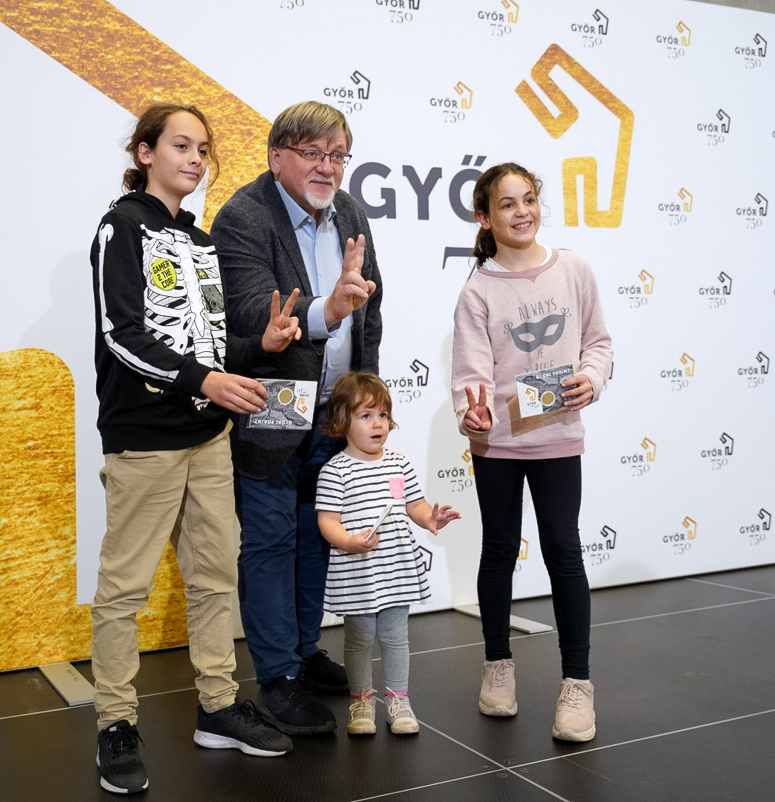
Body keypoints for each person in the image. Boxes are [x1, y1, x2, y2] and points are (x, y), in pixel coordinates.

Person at [89, 103, 301, 794]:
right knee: (124, 589)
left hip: (208, 437)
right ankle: (115, 723)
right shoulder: (120, 227)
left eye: (203, 149)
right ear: (145, 152)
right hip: (145, 439)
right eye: (181, 145)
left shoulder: (203, 242)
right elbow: (123, 336)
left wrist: (258, 344)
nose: (195, 159)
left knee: (214, 578)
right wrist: (206, 378)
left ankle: (217, 706)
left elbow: (207, 345)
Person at [210, 100, 383, 735]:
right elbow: (252, 311)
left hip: (335, 409)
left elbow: (371, 307)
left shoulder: (350, 211)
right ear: (276, 156)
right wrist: (327, 310)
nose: (326, 167)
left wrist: (363, 393)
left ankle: (305, 651)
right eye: (312, 153)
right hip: (272, 406)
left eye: (337, 155)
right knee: (270, 539)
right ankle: (278, 677)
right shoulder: (243, 216)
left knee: (317, 534)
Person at [451, 162, 613, 743]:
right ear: (484, 217)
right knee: (498, 551)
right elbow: (471, 373)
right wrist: (471, 412)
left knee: (564, 551)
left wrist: (592, 378)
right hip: (497, 444)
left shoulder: (573, 269)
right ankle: (497, 665)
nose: (522, 212)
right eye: (507, 204)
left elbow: (598, 342)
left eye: (528, 200)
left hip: (558, 437)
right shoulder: (478, 290)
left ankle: (578, 684)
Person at [315, 372, 459, 736]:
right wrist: (349, 542)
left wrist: (430, 518)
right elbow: (327, 521)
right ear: (342, 420)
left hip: (395, 569)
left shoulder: (399, 463)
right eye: (366, 416)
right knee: (360, 639)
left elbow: (415, 504)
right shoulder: (335, 471)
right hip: (357, 572)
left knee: (396, 638)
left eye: (382, 415)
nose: (377, 424)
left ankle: (398, 699)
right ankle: (362, 699)